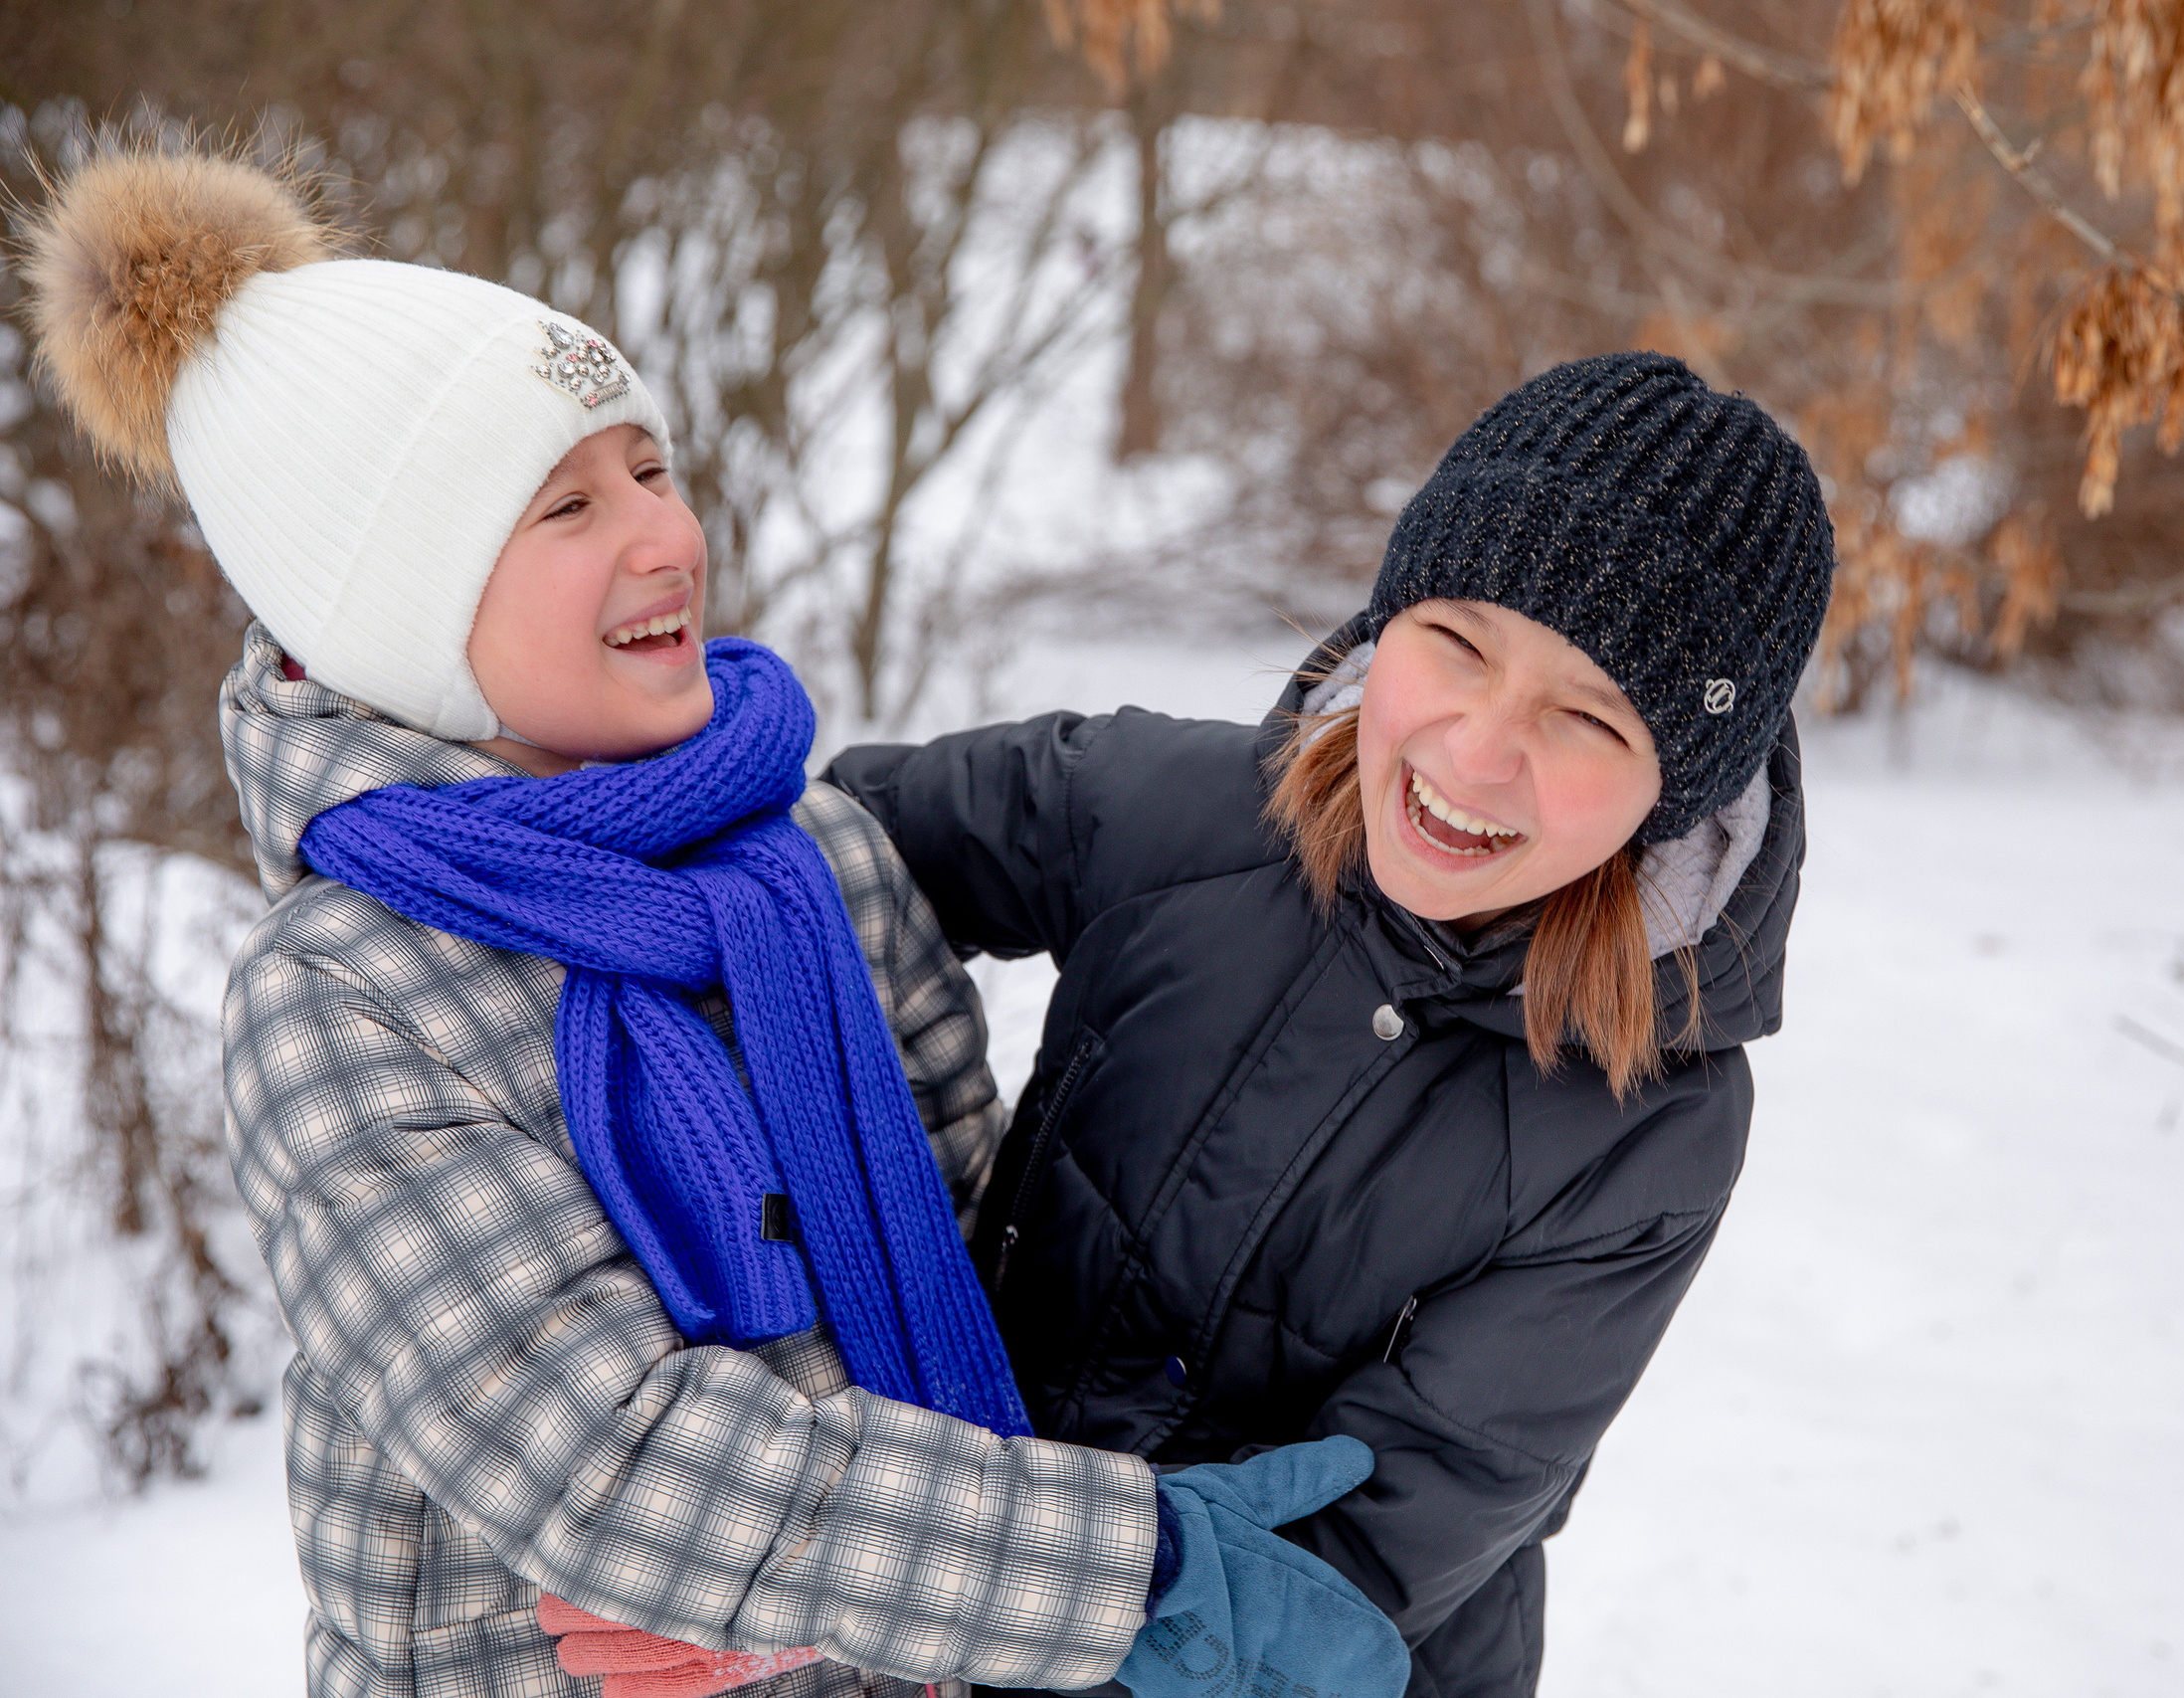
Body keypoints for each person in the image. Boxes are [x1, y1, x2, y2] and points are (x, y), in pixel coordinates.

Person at [24, 146, 1406, 1698]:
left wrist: (848, 1601)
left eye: (650, 467)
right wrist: (1126, 1570)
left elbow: (975, 1264)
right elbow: (604, 1462)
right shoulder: (346, 999)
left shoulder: (807, 846)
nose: (664, 535)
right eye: (563, 505)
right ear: (397, 621)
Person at [823, 351, 1835, 1698]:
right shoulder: (1164, 810)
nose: (1478, 754)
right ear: (1385, 626)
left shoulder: (1648, 1126)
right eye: (1458, 645)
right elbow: (814, 867)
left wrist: (944, 1585)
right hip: (956, 1588)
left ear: (1677, 791)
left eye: (1588, 717)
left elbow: (1381, 1527)